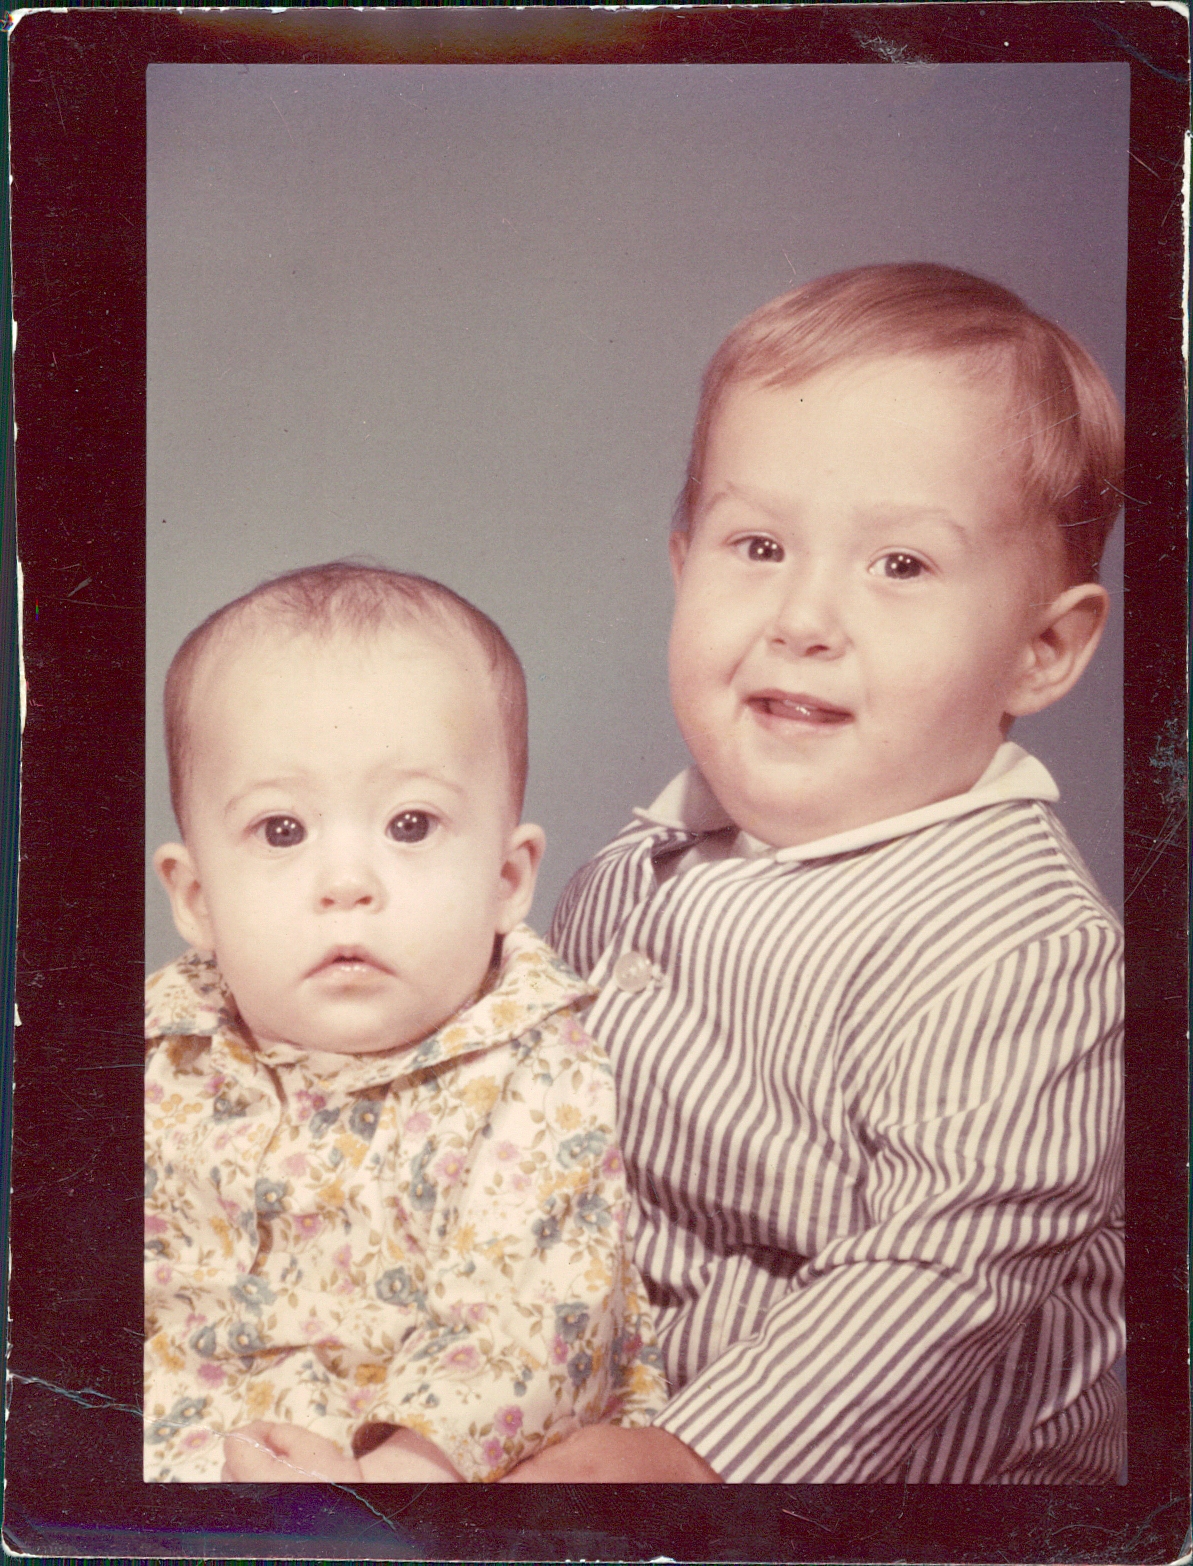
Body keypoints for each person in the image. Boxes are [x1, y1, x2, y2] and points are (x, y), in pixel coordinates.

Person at [505, 262, 1125, 1484]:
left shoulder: (1021, 949)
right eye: (757, 545)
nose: (801, 618)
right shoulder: (634, 866)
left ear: (1040, 650)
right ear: (681, 564)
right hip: (612, 1404)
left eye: (899, 565)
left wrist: (694, 1457)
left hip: (893, 1486)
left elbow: (938, 1272)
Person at [143, 562, 664, 1483]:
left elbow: (530, 1327)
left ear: (506, 879)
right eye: (281, 831)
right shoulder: (156, 1054)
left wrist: (395, 1488)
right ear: (196, 899)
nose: (348, 883)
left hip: (432, 1478)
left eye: (411, 825)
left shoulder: (535, 1067)